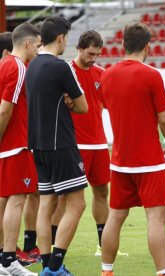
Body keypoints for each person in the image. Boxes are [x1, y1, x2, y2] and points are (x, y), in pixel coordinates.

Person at [99, 21, 165, 276]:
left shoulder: (107, 74)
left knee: (115, 217)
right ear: (147, 47)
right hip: (150, 160)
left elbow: (108, 107)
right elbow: (164, 119)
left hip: (120, 160)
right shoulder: (151, 75)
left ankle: (106, 270)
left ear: (122, 44)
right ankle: (164, 272)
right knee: (156, 219)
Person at [25, 16, 88, 275]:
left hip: (37, 144)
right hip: (59, 143)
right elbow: (83, 106)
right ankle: (55, 267)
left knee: (46, 203)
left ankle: (47, 265)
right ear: (61, 37)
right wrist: (71, 102)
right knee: (77, 204)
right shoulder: (61, 66)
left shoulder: (32, 65)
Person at [50, 30, 114, 257]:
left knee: (101, 193)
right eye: (89, 53)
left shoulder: (102, 74)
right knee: (64, 198)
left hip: (99, 144)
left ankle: (102, 246)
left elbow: (109, 106)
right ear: (78, 48)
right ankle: (51, 248)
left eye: (97, 54)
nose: (93, 58)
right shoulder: (65, 71)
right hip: (73, 144)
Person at [0, 22, 41, 276]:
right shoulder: (17, 67)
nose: (37, 50)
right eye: (37, 46)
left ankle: (3, 259)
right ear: (27, 44)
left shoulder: (3, 64)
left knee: (5, 200)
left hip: (10, 144)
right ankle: (8, 261)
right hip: (16, 144)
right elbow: (6, 108)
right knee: (17, 199)